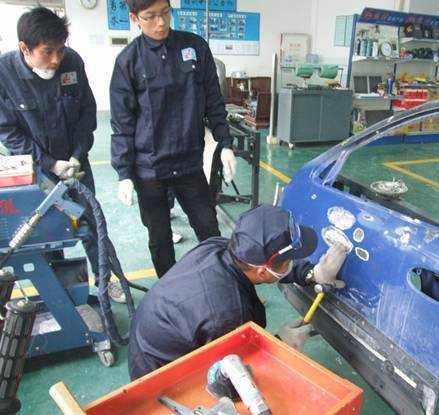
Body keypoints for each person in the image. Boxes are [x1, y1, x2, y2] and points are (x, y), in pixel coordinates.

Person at [128, 204, 349, 380]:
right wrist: (279, 343)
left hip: (148, 340)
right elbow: (234, 372)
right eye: (290, 260)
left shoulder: (218, 246)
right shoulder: (228, 314)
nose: (292, 262)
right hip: (160, 377)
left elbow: (270, 265)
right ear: (263, 271)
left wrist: (312, 273)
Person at [0, 7, 125, 302]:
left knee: (92, 224)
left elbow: (87, 112)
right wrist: (49, 164)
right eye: (47, 52)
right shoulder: (4, 73)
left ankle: (107, 282)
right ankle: (60, 292)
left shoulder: (72, 62)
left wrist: (78, 155)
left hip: (74, 164)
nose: (56, 59)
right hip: (36, 170)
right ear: (25, 48)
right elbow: (7, 131)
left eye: (60, 49)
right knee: (47, 231)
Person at [110, 0, 237, 278]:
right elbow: (122, 123)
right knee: (160, 238)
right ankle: (170, 289)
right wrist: (124, 173)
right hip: (150, 168)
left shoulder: (195, 47)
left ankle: (221, 283)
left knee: (209, 228)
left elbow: (214, 101)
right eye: (150, 16)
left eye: (165, 13)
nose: (161, 23)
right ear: (134, 18)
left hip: (189, 162)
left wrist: (225, 143)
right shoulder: (128, 61)